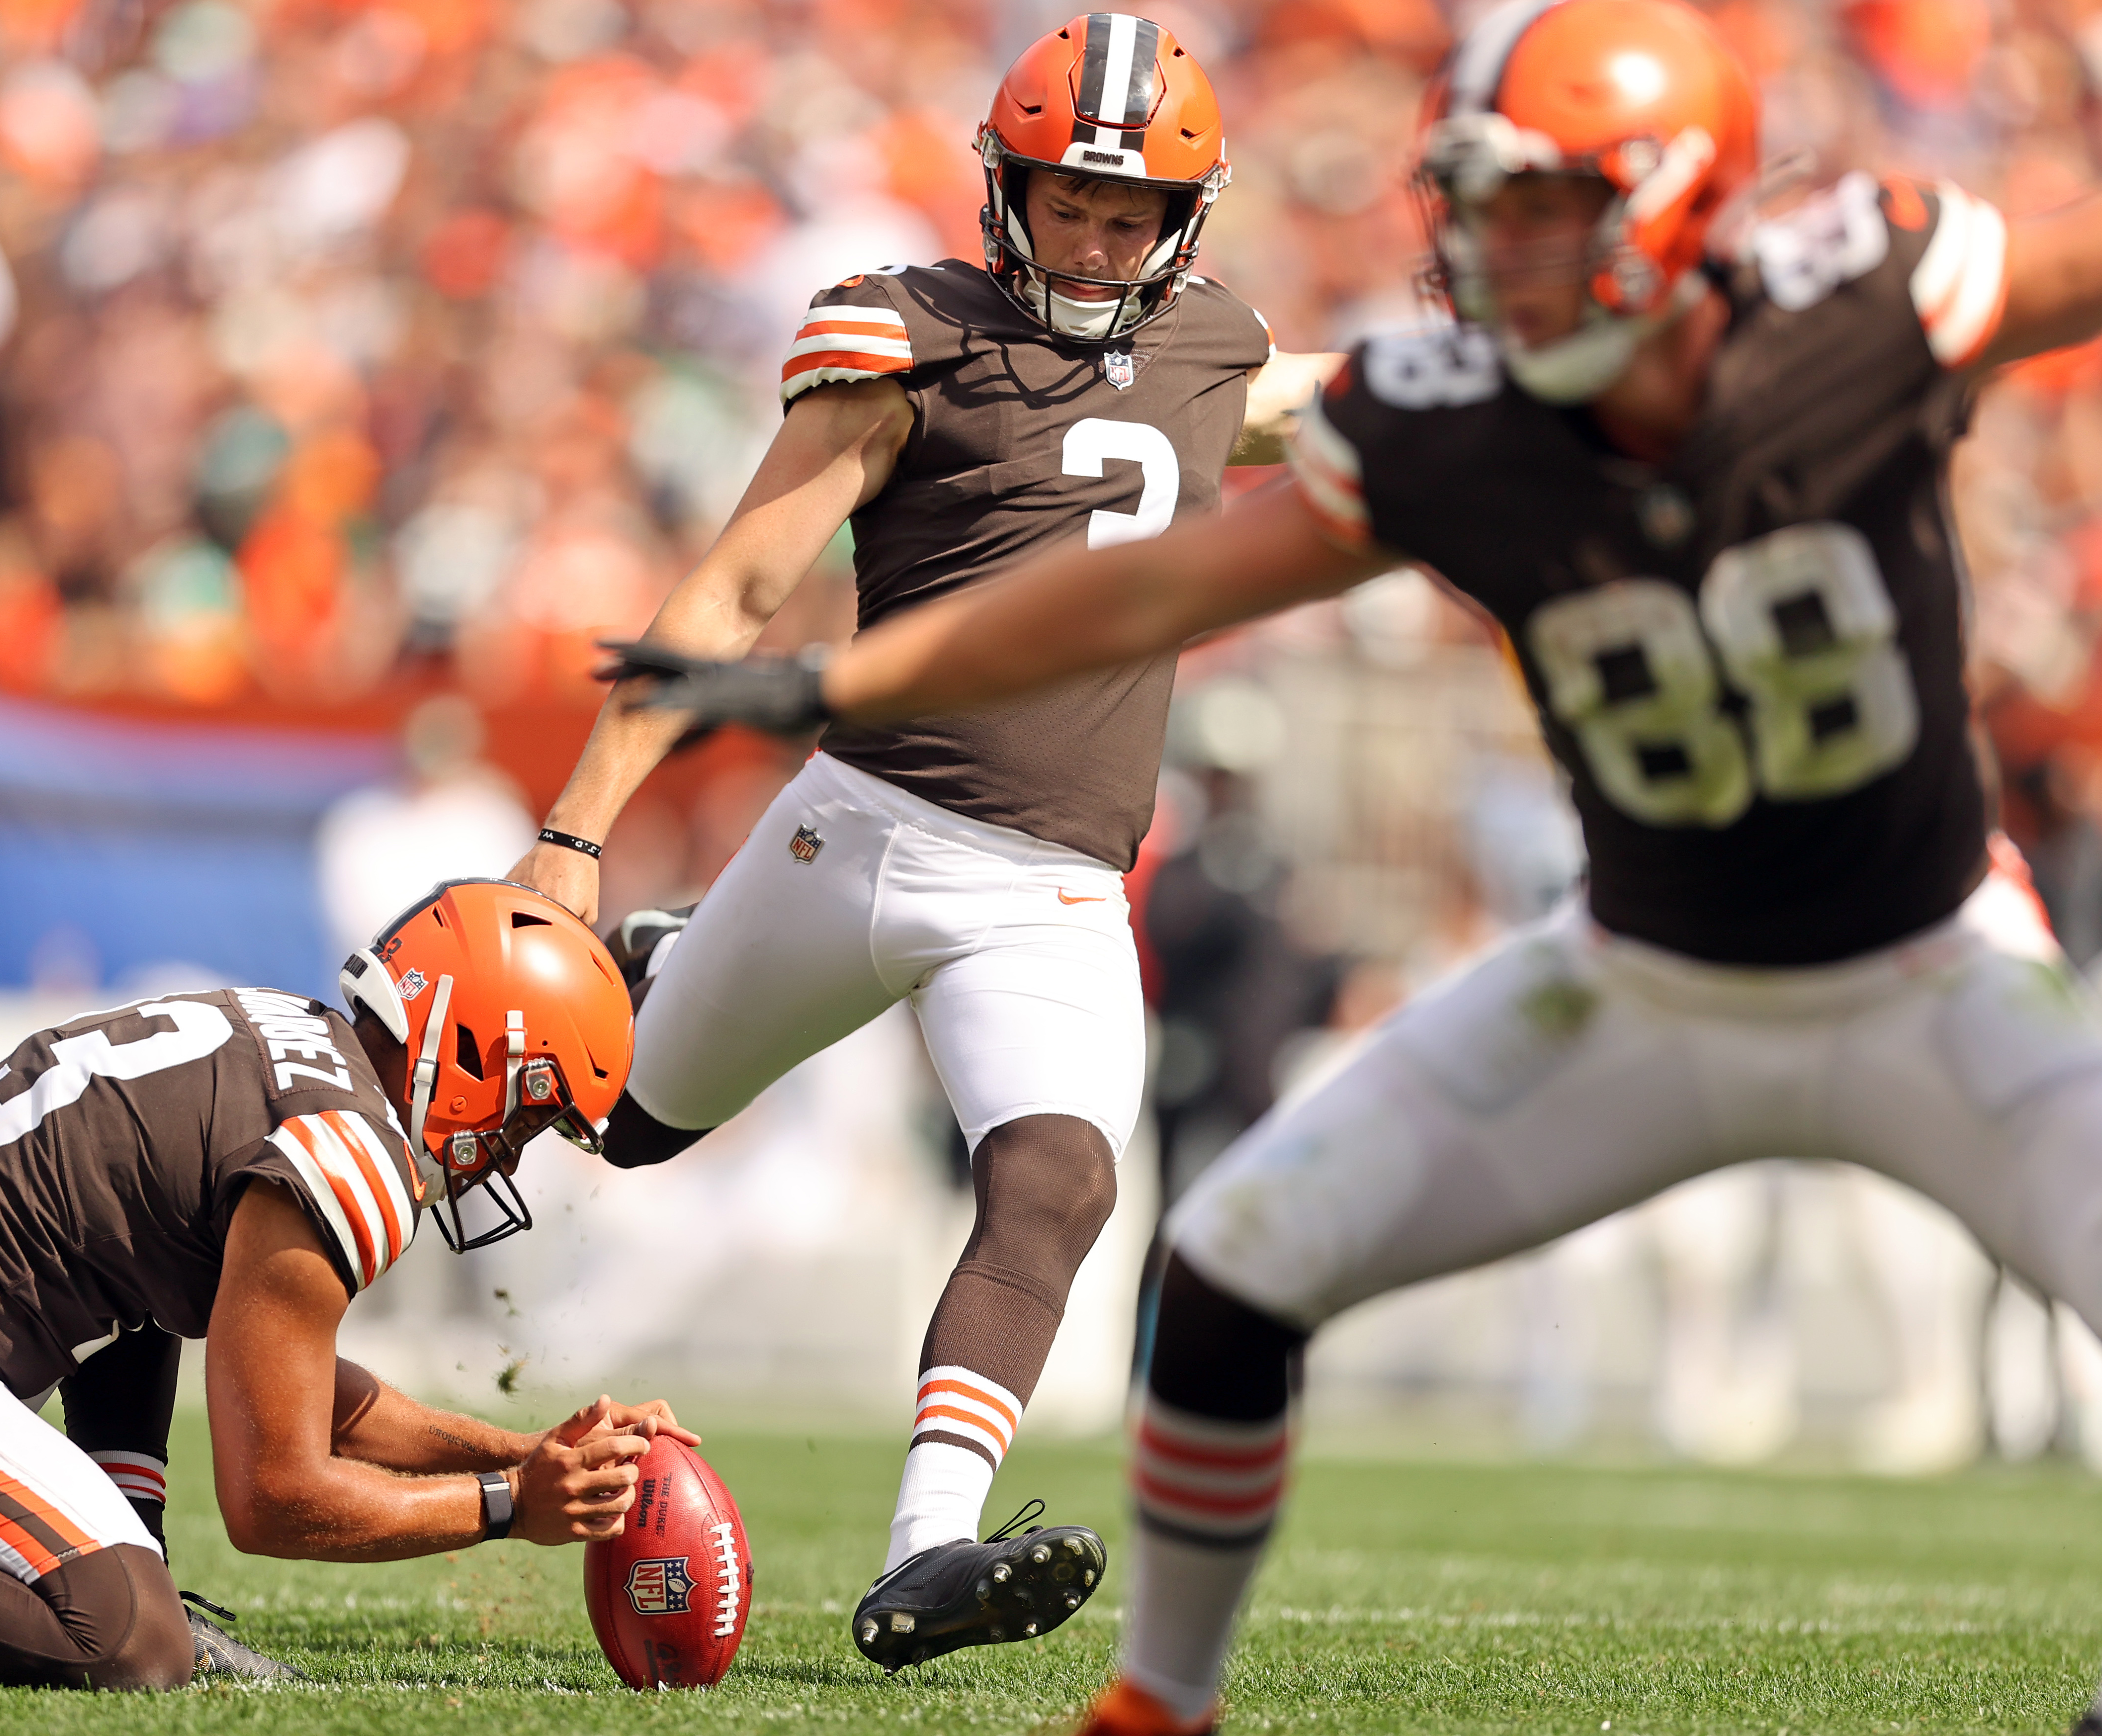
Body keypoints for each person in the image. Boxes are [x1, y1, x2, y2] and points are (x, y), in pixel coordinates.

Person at [602, 0, 2102, 1727]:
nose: (1496, 254)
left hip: (1928, 964)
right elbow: (1161, 582)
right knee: (1231, 1261)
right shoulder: (1448, 417)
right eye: (1479, 206)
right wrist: (842, 675)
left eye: (1548, 208)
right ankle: (1158, 1700)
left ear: (1680, 202)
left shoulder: (1873, 295)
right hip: (1646, 972)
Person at [506, 11, 1338, 1673]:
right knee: (617, 1123)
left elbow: (1271, 412)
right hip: (859, 833)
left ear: (1186, 226)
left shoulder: (1207, 343)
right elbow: (738, 588)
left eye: (1130, 215)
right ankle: (645, 969)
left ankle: (929, 1551)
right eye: (1070, 202)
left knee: (1060, 1179)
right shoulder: (905, 336)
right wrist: (573, 832)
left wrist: (1493, 378)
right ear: (1005, 190)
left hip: (1051, 893)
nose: (1097, 240)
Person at [0, 878, 686, 1691]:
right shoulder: (351, 1155)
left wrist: (523, 1453)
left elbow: (283, 1377)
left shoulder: (288, 1033)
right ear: (471, 1046)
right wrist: (507, 1507)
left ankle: (133, 1544)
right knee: (125, 1638)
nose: (513, 1147)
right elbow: (275, 1497)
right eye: (531, 1108)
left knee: (151, 1297)